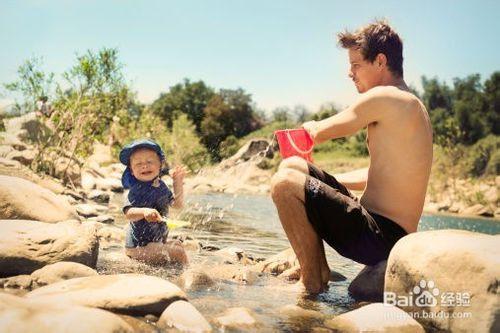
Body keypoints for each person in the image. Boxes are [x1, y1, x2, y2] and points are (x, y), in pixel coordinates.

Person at [270, 20, 433, 293]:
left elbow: (326, 129)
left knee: (285, 183)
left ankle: (311, 282)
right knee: (295, 167)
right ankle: (318, 269)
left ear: (380, 61)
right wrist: (316, 180)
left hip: (380, 236)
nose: (350, 73)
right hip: (383, 232)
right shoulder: (411, 105)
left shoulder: (386, 96)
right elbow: (379, 176)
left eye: (356, 65)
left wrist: (311, 129)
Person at [120, 138, 188, 265]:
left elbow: (177, 205)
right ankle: (189, 274)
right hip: (139, 247)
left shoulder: (161, 186)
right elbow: (128, 213)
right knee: (178, 253)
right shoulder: (136, 190)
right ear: (132, 171)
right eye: (138, 164)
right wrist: (144, 212)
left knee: (178, 244)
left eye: (150, 161)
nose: (144, 165)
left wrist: (177, 182)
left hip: (154, 243)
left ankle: (178, 271)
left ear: (160, 165)